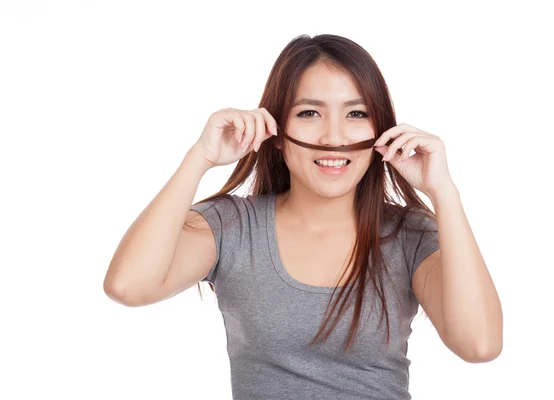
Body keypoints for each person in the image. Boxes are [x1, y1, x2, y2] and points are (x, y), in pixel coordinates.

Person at [104, 34, 503, 399]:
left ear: (382, 129)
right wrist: (200, 158)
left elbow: (479, 345)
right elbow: (128, 286)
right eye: (310, 113)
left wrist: (443, 193)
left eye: (357, 113)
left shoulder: (409, 235)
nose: (334, 136)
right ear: (276, 132)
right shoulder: (232, 228)